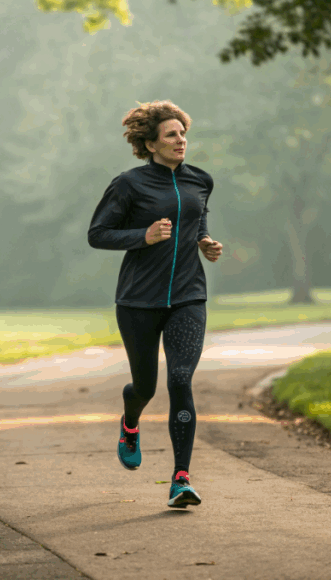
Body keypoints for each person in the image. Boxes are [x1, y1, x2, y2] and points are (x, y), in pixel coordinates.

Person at [88, 100, 222, 509]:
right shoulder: (128, 184)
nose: (181, 140)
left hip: (188, 296)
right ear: (149, 144)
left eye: (183, 133)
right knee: (144, 386)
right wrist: (141, 237)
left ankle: (181, 478)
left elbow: (197, 219)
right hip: (138, 301)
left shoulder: (200, 180)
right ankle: (131, 424)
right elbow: (98, 233)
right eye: (171, 135)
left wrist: (204, 241)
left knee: (180, 380)